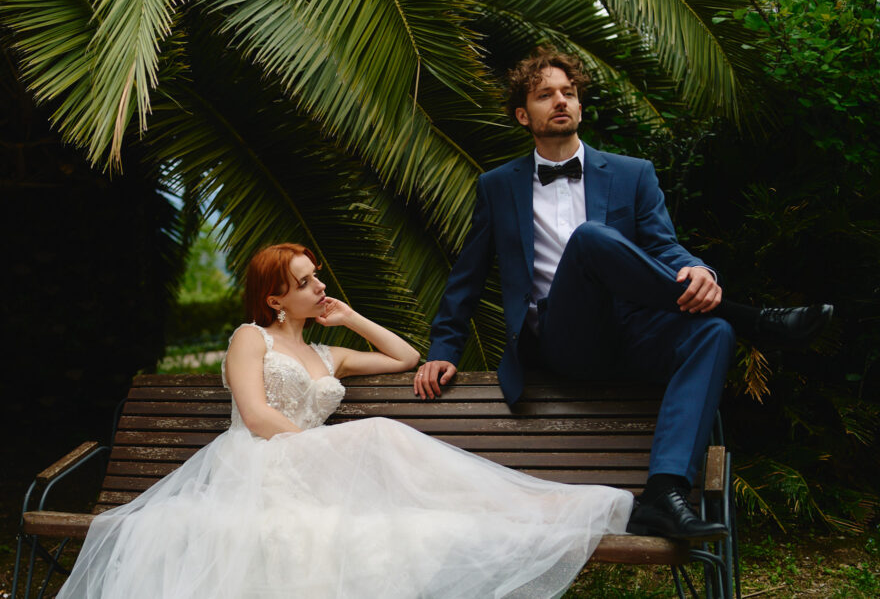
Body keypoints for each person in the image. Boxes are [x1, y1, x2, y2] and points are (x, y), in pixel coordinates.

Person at [417, 47, 833, 542]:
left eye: (569, 92)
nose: (561, 101)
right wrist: (443, 350)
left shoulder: (632, 172)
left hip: (634, 334)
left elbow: (664, 246)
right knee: (591, 239)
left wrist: (698, 270)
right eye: (545, 95)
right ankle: (755, 320)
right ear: (523, 115)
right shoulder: (497, 187)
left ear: (580, 104)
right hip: (563, 342)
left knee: (714, 332)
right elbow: (465, 278)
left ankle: (663, 493)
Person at [56, 242, 632, 599]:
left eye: (316, 276)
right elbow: (255, 415)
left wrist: (350, 317)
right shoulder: (249, 338)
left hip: (312, 468)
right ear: (275, 299)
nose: (319, 286)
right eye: (305, 282)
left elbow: (405, 357)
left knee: (392, 483)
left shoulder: (328, 354)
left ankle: (522, 508)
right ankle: (527, 505)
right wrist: (322, 450)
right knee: (378, 433)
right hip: (258, 465)